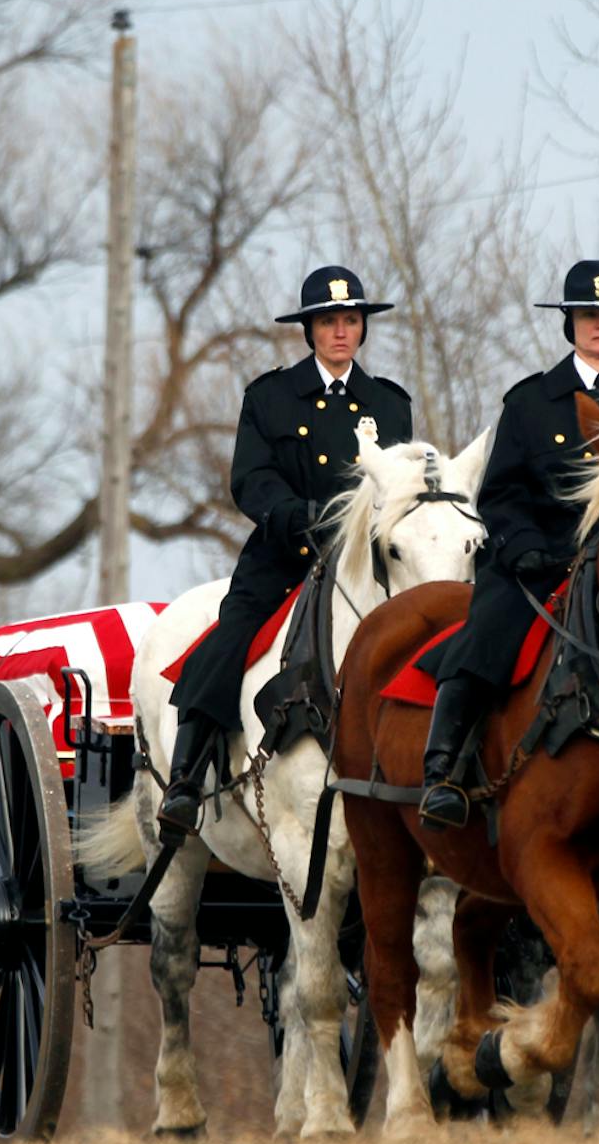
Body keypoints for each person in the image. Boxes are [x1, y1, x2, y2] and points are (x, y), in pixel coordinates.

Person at [417, 259, 599, 827]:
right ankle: (443, 769)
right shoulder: (531, 402)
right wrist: (525, 548)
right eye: (589, 315)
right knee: (488, 633)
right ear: (569, 323)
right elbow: (502, 494)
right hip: (539, 565)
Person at [157, 267, 413, 844]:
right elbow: (251, 479)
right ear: (310, 331)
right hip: (285, 556)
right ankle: (185, 779)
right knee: (228, 640)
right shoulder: (271, 397)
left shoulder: (389, 405)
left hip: (361, 562)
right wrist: (297, 516)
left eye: (351, 321)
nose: (341, 332)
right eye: (329, 322)